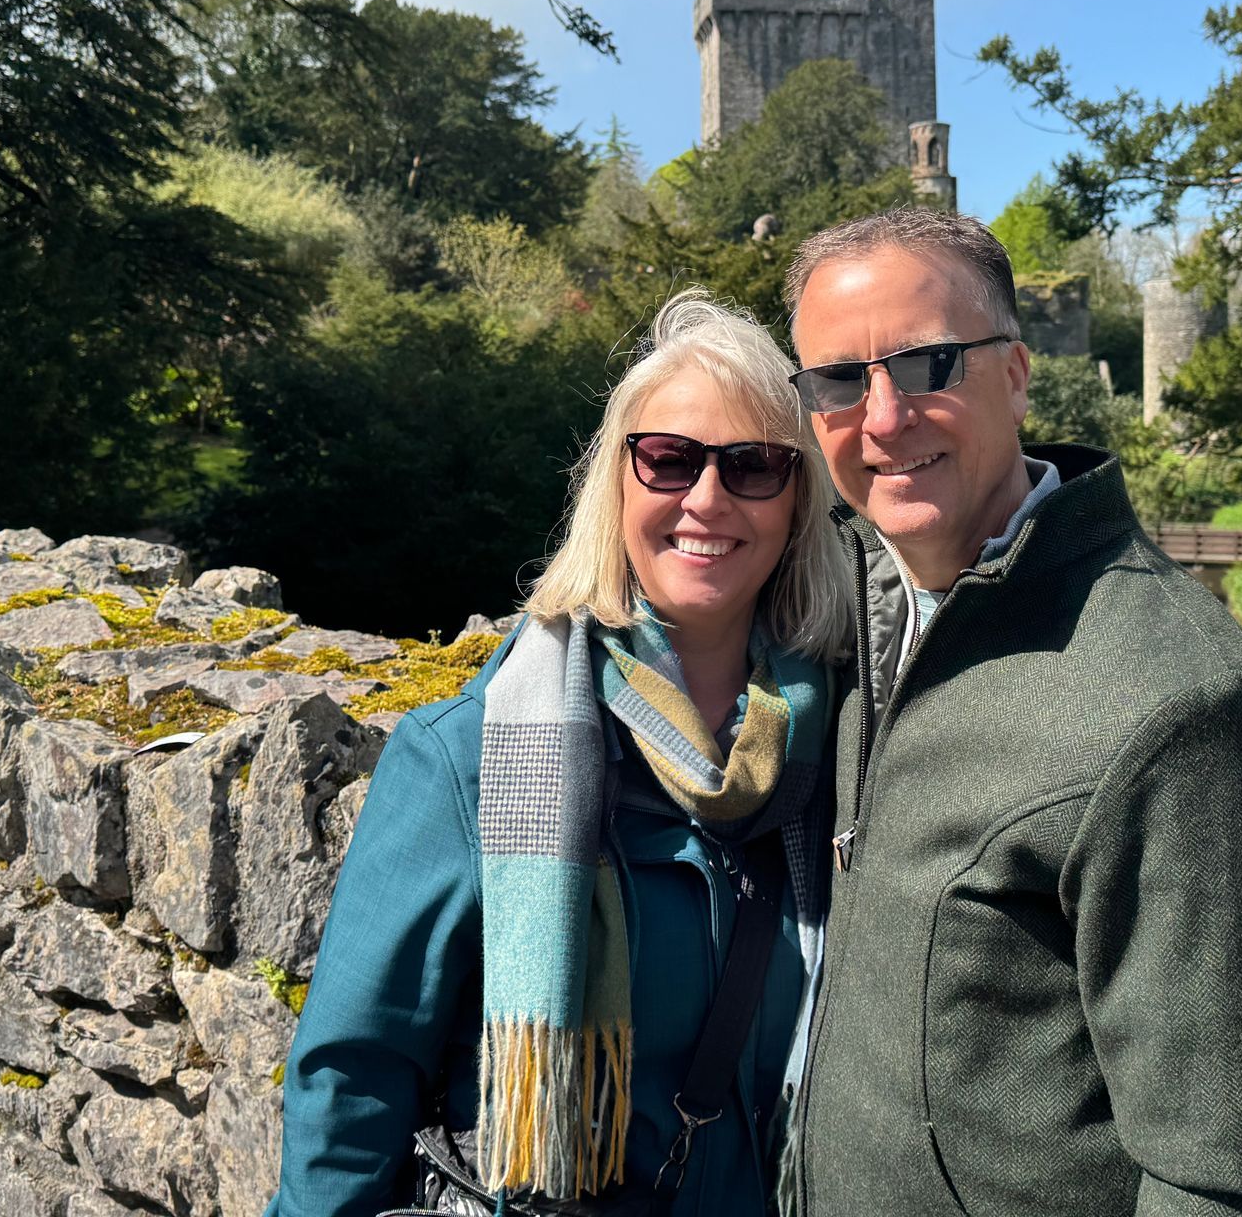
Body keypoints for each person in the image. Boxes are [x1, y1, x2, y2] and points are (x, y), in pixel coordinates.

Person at [783, 209, 1242, 1217]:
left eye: (926, 365)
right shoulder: (880, 615)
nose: (880, 418)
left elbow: (1239, 1185)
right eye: (838, 381)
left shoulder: (1188, 706)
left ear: (1014, 373)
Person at [268, 289, 846, 1217]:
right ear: (617, 484)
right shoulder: (474, 754)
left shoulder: (837, 749)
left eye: (752, 467)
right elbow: (353, 1077)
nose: (706, 498)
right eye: (666, 460)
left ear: (796, 501)